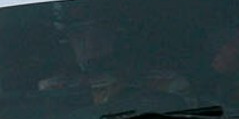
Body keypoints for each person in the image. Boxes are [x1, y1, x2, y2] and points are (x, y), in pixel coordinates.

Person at [39, 18, 188, 105]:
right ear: (69, 42)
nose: (91, 44)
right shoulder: (54, 90)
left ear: (116, 37)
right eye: (79, 35)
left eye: (100, 34)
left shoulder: (165, 83)